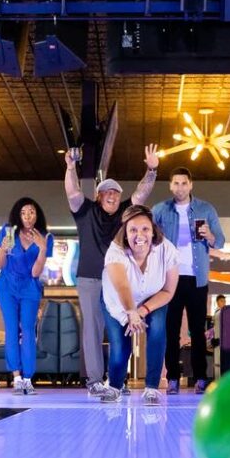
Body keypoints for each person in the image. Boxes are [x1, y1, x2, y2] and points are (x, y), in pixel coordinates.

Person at [65, 144, 159, 397]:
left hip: (118, 282)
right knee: (93, 329)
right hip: (90, 279)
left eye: (116, 193)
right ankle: (95, 381)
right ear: (98, 196)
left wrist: (151, 169)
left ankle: (117, 379)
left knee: (120, 328)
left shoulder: (126, 214)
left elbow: (141, 193)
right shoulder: (85, 211)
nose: (113, 195)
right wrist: (70, 167)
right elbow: (72, 192)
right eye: (107, 192)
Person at [152, 167, 225, 394]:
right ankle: (172, 378)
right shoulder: (160, 210)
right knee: (170, 331)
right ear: (170, 186)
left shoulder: (206, 208)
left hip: (197, 277)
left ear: (191, 185)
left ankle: (201, 378)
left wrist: (209, 236)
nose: (180, 187)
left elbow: (220, 241)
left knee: (197, 331)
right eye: (176, 183)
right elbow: (147, 236)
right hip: (169, 278)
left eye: (184, 183)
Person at [101, 205, 179, 405]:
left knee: (158, 331)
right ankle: (115, 386)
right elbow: (122, 287)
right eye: (133, 230)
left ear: (153, 230)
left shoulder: (167, 249)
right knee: (120, 348)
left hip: (154, 297)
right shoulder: (115, 251)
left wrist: (143, 310)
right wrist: (131, 313)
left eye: (145, 229)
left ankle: (152, 388)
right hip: (118, 302)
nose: (139, 235)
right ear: (125, 234)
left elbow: (168, 291)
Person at [0, 197, 53, 395]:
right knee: (11, 328)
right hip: (7, 286)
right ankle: (17, 377)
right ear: (18, 215)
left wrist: (43, 248)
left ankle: (28, 378)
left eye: (32, 212)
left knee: (28, 329)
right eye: (24, 212)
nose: (28, 216)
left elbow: (36, 272)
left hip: (30, 287)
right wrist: (2, 248)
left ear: (37, 215)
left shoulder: (45, 237)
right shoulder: (9, 232)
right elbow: (0, 265)